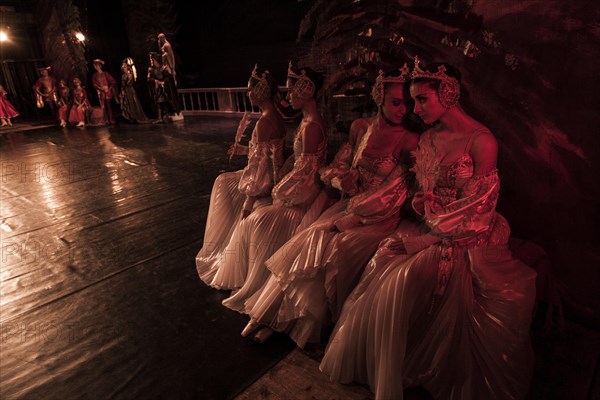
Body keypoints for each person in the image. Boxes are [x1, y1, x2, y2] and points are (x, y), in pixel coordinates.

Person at [319, 58, 537, 400]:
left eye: (421, 99)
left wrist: (427, 239)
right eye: (411, 100)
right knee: (379, 265)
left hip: (467, 235)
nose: (414, 109)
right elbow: (420, 191)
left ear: (448, 93)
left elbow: (479, 208)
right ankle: (387, 364)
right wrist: (423, 203)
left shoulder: (481, 140)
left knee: (401, 281)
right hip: (430, 225)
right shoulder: (428, 138)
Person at [240, 65, 420, 348]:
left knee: (332, 245)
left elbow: (396, 192)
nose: (404, 110)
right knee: (308, 238)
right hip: (347, 203)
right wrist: (343, 179)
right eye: (397, 102)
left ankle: (297, 321)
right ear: (379, 97)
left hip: (378, 216)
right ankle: (273, 315)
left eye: (408, 103)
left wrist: (354, 211)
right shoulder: (361, 127)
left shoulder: (409, 140)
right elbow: (337, 165)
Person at [215, 63, 332, 343]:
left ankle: (273, 308)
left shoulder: (311, 126)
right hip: (297, 190)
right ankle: (264, 300)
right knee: (260, 218)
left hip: (307, 198)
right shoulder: (306, 123)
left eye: (292, 89)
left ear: (307, 90)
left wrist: (280, 193)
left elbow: (308, 176)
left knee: (261, 219)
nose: (287, 94)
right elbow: (298, 166)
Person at [196, 64, 287, 287]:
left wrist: (248, 202)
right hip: (270, 175)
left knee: (222, 183)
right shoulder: (275, 116)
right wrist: (245, 150)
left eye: (249, 89)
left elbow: (259, 170)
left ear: (259, 92)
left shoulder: (265, 121)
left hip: (265, 183)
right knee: (224, 180)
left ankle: (228, 243)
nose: (247, 94)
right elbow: (265, 154)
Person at [147, 52, 179, 121]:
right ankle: (160, 118)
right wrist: (156, 82)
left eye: (153, 60)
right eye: (151, 60)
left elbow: (169, 78)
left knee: (166, 102)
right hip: (157, 89)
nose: (151, 62)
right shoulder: (151, 70)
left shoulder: (163, 69)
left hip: (165, 89)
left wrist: (164, 82)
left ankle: (169, 114)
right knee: (158, 102)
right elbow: (150, 79)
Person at [157, 33, 183, 120]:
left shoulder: (167, 46)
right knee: (169, 92)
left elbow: (170, 58)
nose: (159, 41)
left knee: (171, 92)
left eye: (160, 39)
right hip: (166, 70)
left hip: (168, 70)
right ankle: (174, 111)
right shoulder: (164, 46)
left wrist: (171, 69)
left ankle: (177, 112)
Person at [119, 57, 149, 123]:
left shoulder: (130, 75)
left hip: (130, 90)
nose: (123, 68)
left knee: (133, 102)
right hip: (125, 90)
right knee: (127, 104)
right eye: (123, 67)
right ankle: (131, 117)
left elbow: (129, 83)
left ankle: (136, 117)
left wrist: (127, 80)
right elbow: (122, 84)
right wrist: (122, 91)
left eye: (125, 67)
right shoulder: (123, 75)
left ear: (127, 67)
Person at [92, 59, 118, 124]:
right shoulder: (94, 75)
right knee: (103, 106)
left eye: (96, 65)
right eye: (94, 65)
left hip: (107, 92)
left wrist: (109, 88)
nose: (95, 67)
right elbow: (94, 84)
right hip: (100, 93)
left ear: (100, 66)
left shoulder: (105, 74)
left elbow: (113, 81)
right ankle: (106, 119)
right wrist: (101, 89)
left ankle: (111, 119)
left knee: (109, 106)